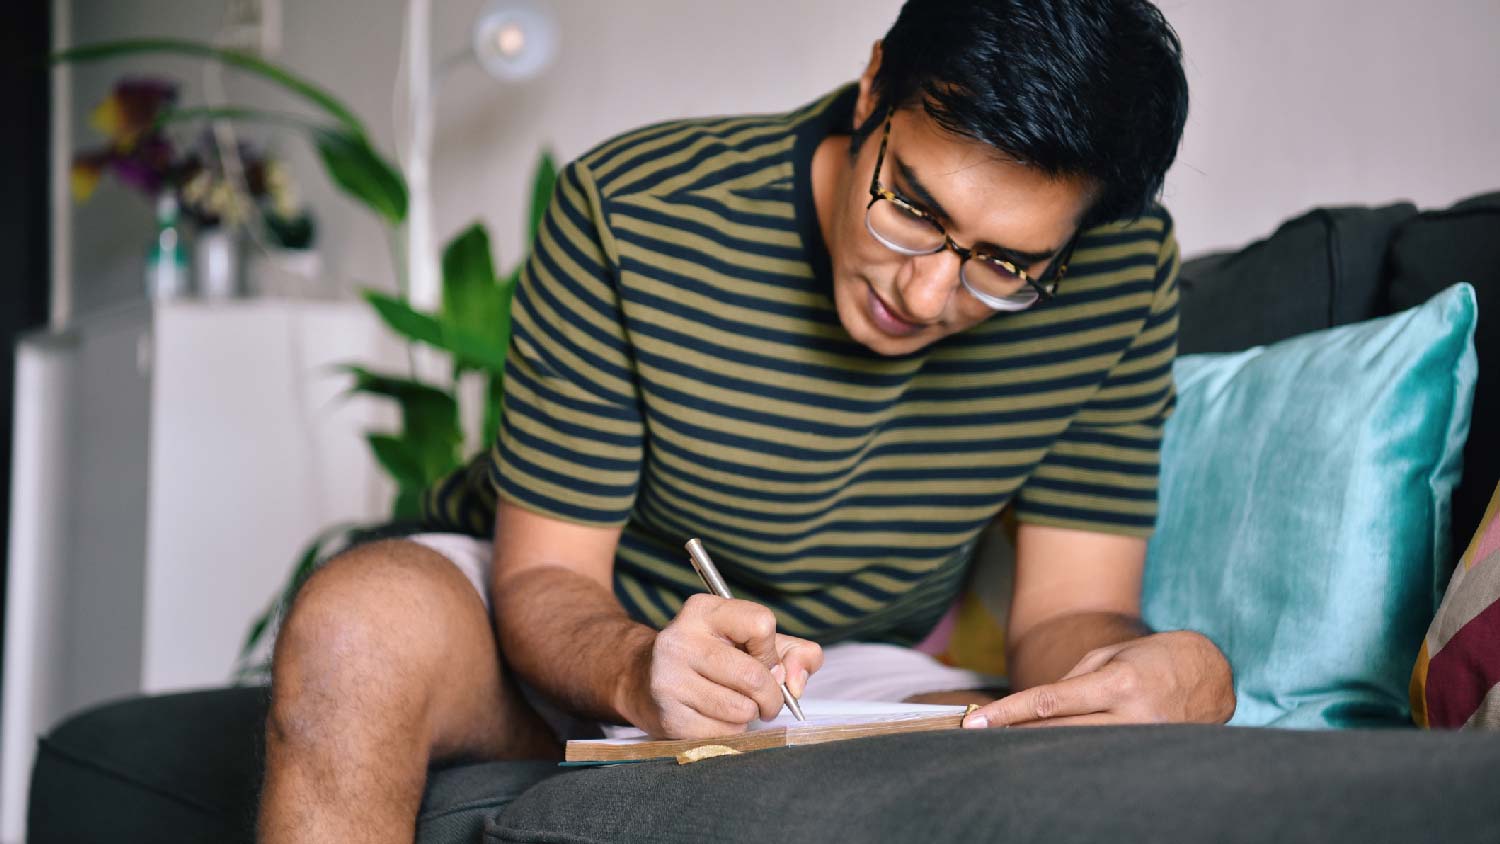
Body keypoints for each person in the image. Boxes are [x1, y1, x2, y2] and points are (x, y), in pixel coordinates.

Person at [257, 0, 1235, 839]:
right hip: (577, 620)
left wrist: (1134, 677)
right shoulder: (637, 214)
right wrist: (643, 666)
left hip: (846, 669)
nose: (930, 290)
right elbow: (548, 576)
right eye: (913, 206)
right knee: (356, 630)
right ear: (871, 91)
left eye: (1006, 264)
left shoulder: (1120, 273)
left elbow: (1065, 614)